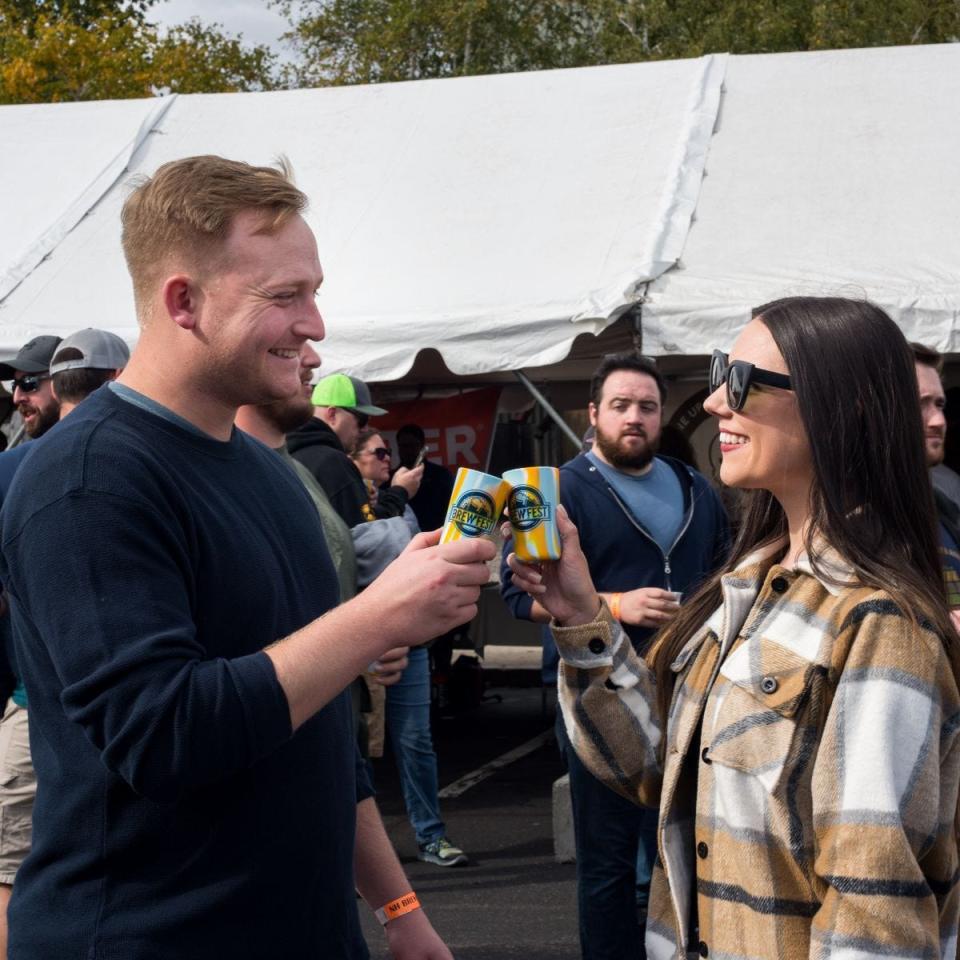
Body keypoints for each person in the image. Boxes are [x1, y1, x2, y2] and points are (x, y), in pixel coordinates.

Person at [0, 155, 493, 960]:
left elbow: (317, 720)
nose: (316, 325)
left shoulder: (269, 472)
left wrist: (399, 908)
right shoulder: (87, 481)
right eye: (284, 296)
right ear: (182, 301)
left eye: (315, 291)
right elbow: (164, 736)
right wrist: (378, 617)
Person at [508, 296, 960, 960]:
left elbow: (873, 911)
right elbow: (660, 771)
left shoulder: (879, 621)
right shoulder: (748, 581)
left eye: (741, 380)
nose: (717, 401)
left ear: (844, 408)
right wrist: (581, 615)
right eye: (720, 371)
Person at [500, 353, 729, 960]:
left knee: (678, 853)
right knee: (604, 864)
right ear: (594, 414)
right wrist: (615, 603)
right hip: (596, 694)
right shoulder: (552, 490)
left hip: (687, 691)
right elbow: (515, 595)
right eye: (622, 406)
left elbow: (727, 571)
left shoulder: (694, 485)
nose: (635, 418)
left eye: (648, 407)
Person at [0, 328, 128, 960]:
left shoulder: (18, 469)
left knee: (14, 871)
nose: (18, 396)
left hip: (51, 713)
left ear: (58, 386)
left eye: (27, 382)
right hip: (65, 711)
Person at [352, 429, 468, 868]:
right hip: (361, 641)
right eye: (378, 453)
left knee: (415, 739)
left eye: (389, 452)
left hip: (409, 641)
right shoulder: (348, 502)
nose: (389, 459)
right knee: (360, 746)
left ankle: (430, 836)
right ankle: (365, 853)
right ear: (355, 459)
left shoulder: (400, 509)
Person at [288, 372, 422, 523]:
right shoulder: (332, 462)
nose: (365, 429)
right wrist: (400, 492)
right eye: (362, 420)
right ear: (332, 414)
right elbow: (368, 532)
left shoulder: (287, 451)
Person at [912, 342, 960, 610]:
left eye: (939, 404)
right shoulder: (850, 523)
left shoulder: (942, 506)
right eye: (921, 404)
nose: (939, 421)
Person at [0, 335, 63, 494]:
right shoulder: (15, 465)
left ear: (62, 381)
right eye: (15, 385)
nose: (16, 398)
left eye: (28, 382)